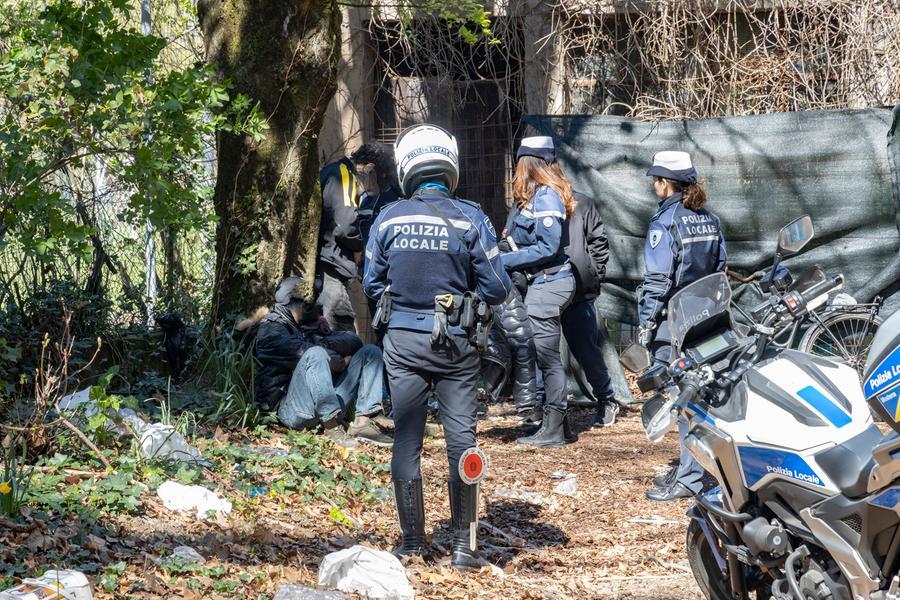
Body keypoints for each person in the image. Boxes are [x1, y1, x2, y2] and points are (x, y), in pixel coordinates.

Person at [364, 124, 511, 569]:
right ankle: (465, 548)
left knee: (406, 439)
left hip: (403, 344)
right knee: (462, 439)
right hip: (456, 347)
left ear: (408, 167)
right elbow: (499, 286)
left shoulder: (387, 217)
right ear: (450, 168)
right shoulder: (471, 218)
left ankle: (411, 543)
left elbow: (371, 282)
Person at [638, 151, 726, 502]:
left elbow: (658, 281)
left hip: (673, 325)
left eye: (655, 180)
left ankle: (690, 478)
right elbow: (720, 267)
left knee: (684, 399)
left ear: (664, 184)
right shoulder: (710, 220)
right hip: (706, 319)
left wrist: (646, 322)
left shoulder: (665, 223)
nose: (653, 186)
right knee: (699, 396)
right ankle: (694, 467)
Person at [254, 277, 394, 448]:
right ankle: (331, 427)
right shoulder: (272, 329)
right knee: (315, 354)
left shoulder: (302, 328)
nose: (315, 307)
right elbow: (313, 356)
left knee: (370, 352)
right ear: (297, 302)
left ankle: (362, 423)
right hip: (291, 410)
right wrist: (341, 361)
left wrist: (323, 340)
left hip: (318, 405)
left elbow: (353, 341)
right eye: (308, 302)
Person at [501, 136, 576, 449]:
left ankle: (554, 429)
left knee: (547, 358)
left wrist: (503, 259)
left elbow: (547, 246)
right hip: (543, 282)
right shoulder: (534, 196)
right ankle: (561, 425)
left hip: (550, 283)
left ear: (527, 163)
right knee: (545, 355)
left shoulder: (546, 197)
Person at [562, 189, 620, 427]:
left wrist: (592, 275)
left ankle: (607, 399)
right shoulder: (526, 200)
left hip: (578, 290)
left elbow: (598, 241)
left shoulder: (582, 201)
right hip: (539, 289)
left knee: (586, 350)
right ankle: (543, 407)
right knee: (540, 351)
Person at [317, 153, 367, 332]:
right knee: (341, 335)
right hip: (331, 267)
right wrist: (359, 246)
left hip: (324, 263)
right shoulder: (343, 174)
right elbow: (345, 225)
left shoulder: (330, 171)